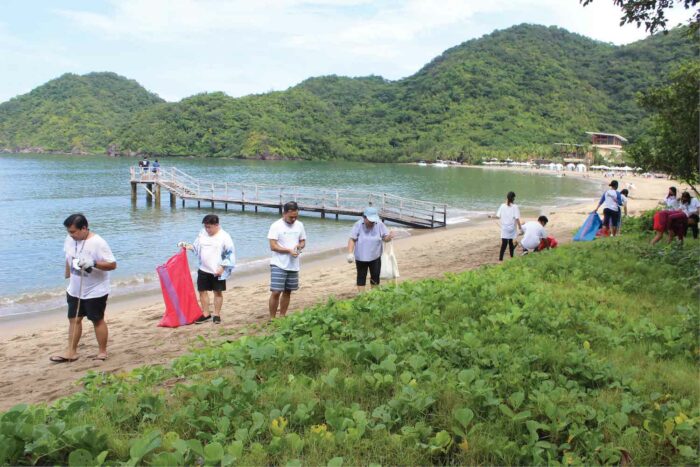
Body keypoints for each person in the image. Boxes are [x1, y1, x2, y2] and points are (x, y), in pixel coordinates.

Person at [51, 214, 117, 363]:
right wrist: (67, 274)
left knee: (97, 319)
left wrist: (93, 263)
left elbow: (112, 264)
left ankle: (102, 352)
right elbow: (68, 256)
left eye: (73, 232)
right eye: (69, 232)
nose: (71, 235)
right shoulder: (70, 239)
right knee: (74, 319)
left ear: (84, 228)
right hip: (75, 289)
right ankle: (71, 351)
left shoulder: (98, 243)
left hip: (95, 289)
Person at [180, 214, 235, 324]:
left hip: (217, 270)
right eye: (205, 226)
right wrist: (186, 246)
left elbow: (230, 253)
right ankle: (206, 314)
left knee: (217, 293)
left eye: (209, 227)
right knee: (202, 291)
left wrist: (223, 267)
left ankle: (217, 314)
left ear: (216, 225)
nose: (207, 229)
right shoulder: (202, 233)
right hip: (203, 269)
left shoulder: (224, 236)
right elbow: (196, 247)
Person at [268, 202, 306, 319]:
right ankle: (272, 318)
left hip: (293, 264)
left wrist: (299, 246)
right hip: (278, 263)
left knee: (288, 291)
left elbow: (303, 241)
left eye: (296, 216)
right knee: (276, 291)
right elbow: (273, 246)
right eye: (291, 217)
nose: (294, 219)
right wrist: (288, 251)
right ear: (284, 213)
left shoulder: (300, 225)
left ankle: (282, 316)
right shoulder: (276, 226)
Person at [346, 207, 395, 292]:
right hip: (361, 257)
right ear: (364, 217)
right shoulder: (358, 225)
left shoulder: (379, 224)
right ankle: (362, 295)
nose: (372, 222)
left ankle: (374, 294)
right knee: (361, 276)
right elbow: (352, 239)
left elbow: (385, 239)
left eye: (373, 220)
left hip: (375, 256)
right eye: (370, 220)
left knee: (375, 276)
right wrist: (350, 253)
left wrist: (389, 237)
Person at [495, 191, 522, 261]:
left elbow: (497, 216)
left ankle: (500, 259)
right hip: (512, 228)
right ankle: (512, 256)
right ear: (513, 198)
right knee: (510, 242)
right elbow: (517, 218)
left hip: (504, 228)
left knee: (504, 244)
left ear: (507, 197)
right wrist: (520, 227)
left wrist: (491, 217)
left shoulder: (502, 206)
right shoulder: (515, 207)